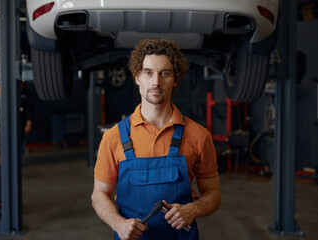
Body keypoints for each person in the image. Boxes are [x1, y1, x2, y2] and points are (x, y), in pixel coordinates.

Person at [91, 39, 221, 240]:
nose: (156, 82)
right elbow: (99, 195)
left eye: (165, 73)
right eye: (148, 72)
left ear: (175, 79)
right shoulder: (114, 137)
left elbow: (213, 194)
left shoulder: (199, 136)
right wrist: (118, 224)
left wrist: (193, 209)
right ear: (137, 77)